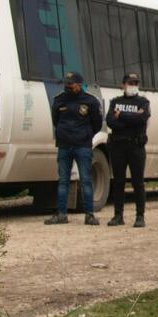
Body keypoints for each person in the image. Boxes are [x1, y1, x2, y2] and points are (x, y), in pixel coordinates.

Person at [46, 71, 103, 226]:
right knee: (63, 181)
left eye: (71, 85)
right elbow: (55, 120)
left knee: (86, 180)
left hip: (82, 146)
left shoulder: (90, 101)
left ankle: (89, 215)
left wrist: (86, 135)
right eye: (66, 84)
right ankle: (61, 214)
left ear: (79, 84)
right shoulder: (59, 100)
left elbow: (97, 123)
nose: (68, 87)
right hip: (64, 146)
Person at [105, 71, 150, 228]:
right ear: (123, 85)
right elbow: (110, 121)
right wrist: (130, 119)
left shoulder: (143, 102)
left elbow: (141, 119)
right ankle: (118, 216)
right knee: (118, 182)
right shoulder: (115, 101)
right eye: (130, 83)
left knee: (138, 182)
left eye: (135, 83)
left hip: (136, 146)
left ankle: (140, 216)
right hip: (118, 146)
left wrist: (122, 116)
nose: (133, 86)